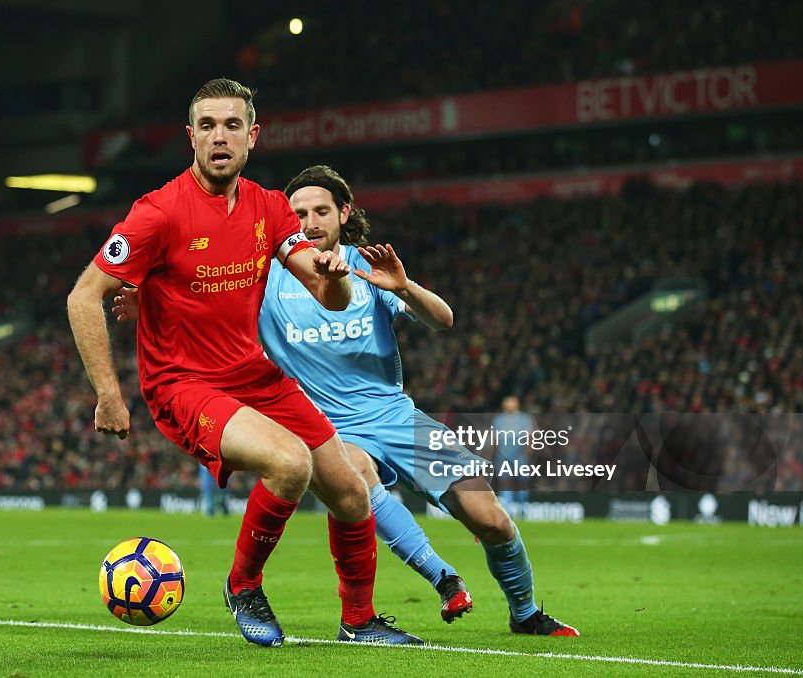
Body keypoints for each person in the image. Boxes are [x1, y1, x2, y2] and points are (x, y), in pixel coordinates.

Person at [68, 79, 419, 647]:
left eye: (232, 125)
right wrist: (108, 392)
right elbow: (84, 295)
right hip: (183, 383)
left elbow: (328, 292)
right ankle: (243, 585)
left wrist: (334, 280)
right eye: (207, 126)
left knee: (351, 493)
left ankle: (358, 622)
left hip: (254, 375)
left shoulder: (270, 207)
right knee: (288, 463)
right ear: (191, 137)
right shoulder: (157, 212)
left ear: (252, 136)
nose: (219, 136)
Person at [258, 166, 579, 636]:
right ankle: (444, 578)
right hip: (327, 427)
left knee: (488, 518)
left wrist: (403, 286)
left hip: (395, 416)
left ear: (343, 214)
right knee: (357, 475)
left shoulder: (366, 267)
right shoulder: (266, 278)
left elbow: (444, 319)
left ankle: (526, 614)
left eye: (321, 211)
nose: (309, 222)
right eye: (299, 213)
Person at [491, 396, 535, 518]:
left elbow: (529, 437)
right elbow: (495, 438)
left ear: (517, 404)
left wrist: (527, 452)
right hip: (503, 455)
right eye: (506, 401)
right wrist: (495, 453)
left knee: (522, 481)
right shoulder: (499, 419)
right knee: (505, 481)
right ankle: (507, 509)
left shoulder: (523, 418)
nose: (508, 404)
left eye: (511, 401)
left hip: (519, 455)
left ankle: (523, 507)